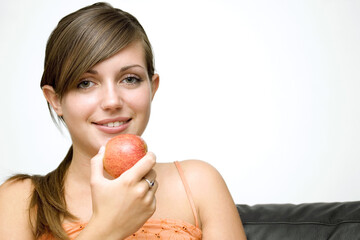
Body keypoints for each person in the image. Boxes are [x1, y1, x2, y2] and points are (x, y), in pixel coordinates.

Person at [0, 2, 247, 239]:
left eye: (129, 79)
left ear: (153, 87)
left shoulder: (199, 184)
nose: (112, 101)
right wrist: (106, 228)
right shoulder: (20, 200)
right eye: (85, 83)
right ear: (55, 100)